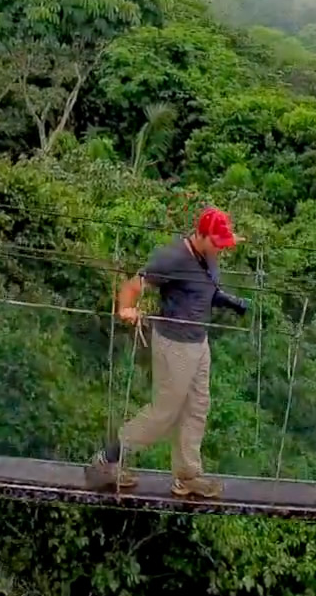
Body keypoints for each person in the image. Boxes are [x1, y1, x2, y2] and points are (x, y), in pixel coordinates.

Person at [84, 207, 248, 499]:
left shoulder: (208, 253)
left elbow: (206, 286)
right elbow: (133, 285)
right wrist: (126, 308)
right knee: (164, 413)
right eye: (218, 243)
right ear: (201, 234)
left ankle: (188, 475)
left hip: (199, 341)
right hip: (175, 344)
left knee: (197, 408)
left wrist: (231, 302)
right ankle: (107, 460)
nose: (221, 250)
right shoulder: (172, 257)